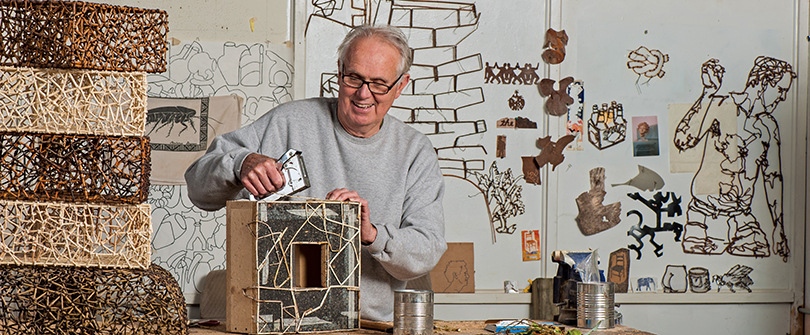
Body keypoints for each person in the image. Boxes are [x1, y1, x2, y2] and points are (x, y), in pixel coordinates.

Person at [184, 25, 448, 320]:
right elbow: (197, 187)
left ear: (401, 86)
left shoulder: (415, 152)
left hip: (367, 325)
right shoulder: (288, 122)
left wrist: (370, 234)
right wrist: (239, 164)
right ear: (339, 71)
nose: (364, 94)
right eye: (354, 78)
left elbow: (426, 249)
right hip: (277, 321)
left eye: (379, 84)